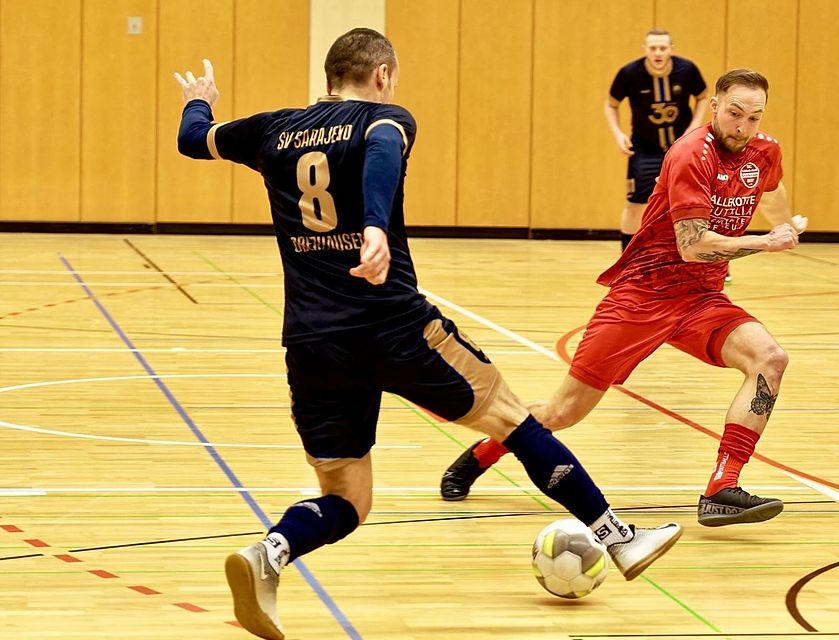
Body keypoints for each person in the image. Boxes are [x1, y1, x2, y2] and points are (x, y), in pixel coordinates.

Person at [175, 28, 681, 640]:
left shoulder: (274, 131)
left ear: (330, 74)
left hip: (313, 343)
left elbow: (192, 142)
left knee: (346, 498)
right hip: (395, 327)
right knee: (514, 420)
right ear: (382, 75)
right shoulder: (385, 120)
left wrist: (200, 100)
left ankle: (270, 553)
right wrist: (373, 226)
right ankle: (618, 540)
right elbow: (385, 156)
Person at [441, 69, 808, 531]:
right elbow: (692, 245)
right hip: (643, 297)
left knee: (770, 359)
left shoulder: (763, 149)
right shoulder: (690, 154)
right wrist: (762, 243)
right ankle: (481, 454)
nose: (742, 126)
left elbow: (771, 194)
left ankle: (722, 488)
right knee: (562, 413)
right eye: (734, 113)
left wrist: (787, 225)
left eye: (753, 117)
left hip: (700, 298)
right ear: (714, 106)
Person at [605, 28, 708, 253]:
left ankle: (710, 258)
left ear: (671, 49)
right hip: (644, 148)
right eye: (653, 48)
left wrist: (693, 127)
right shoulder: (629, 73)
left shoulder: (687, 70)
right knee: (635, 204)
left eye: (663, 48)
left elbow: (702, 97)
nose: (658, 53)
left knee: (696, 202)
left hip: (682, 148)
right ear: (645, 50)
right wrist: (618, 134)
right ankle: (627, 259)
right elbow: (611, 104)